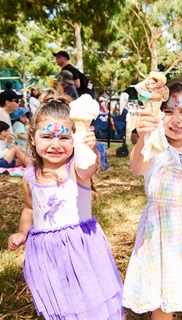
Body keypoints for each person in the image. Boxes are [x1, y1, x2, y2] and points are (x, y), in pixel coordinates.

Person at [7, 94, 124, 319]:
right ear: (32, 137)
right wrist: (22, 231)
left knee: (89, 299)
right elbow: (30, 208)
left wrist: (86, 147)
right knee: (62, 302)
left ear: (74, 139)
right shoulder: (30, 174)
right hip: (46, 253)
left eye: (64, 137)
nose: (55, 144)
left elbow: (87, 168)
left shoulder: (76, 169)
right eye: (47, 136)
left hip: (80, 248)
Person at [123, 79, 182, 319]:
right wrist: (145, 136)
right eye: (168, 111)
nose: (176, 120)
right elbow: (137, 167)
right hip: (161, 239)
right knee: (163, 303)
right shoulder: (154, 147)